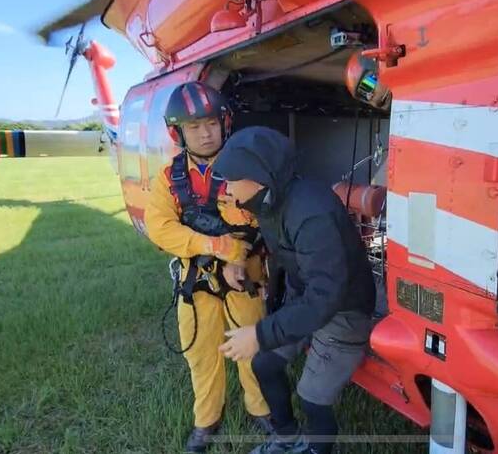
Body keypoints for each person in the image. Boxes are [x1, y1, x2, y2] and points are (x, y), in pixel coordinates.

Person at [213, 126, 376, 454]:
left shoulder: (311, 212)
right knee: (264, 364)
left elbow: (326, 297)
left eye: (231, 179)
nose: (226, 188)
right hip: (309, 300)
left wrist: (260, 334)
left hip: (345, 309)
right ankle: (286, 438)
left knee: (311, 398)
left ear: (259, 177)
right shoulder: (271, 201)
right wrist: (252, 276)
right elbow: (284, 256)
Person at [143, 82, 272, 453]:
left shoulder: (247, 167)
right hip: (196, 279)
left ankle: (261, 408)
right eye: (194, 126)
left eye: (212, 123)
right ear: (178, 132)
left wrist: (238, 253)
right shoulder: (169, 178)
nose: (205, 132)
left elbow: (257, 219)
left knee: (252, 346)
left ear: (224, 123)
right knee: (200, 351)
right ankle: (207, 420)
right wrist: (216, 247)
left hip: (244, 276)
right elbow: (161, 228)